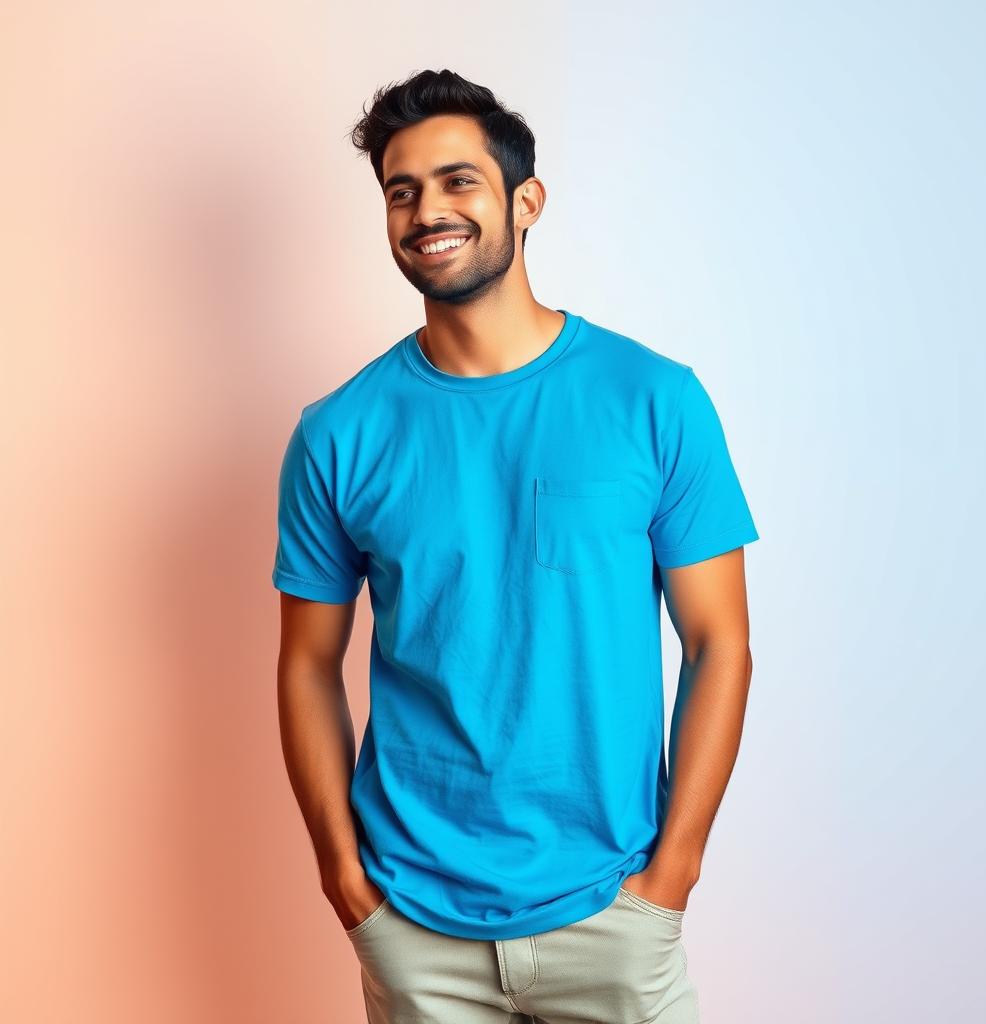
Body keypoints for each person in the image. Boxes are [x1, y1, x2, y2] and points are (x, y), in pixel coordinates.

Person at [272, 68, 760, 1024]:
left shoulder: (653, 400)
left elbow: (720, 645)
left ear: (525, 200)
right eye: (401, 190)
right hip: (413, 917)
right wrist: (344, 877)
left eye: (458, 181)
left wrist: (675, 873)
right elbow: (306, 664)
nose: (426, 211)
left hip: (614, 905)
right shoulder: (338, 433)